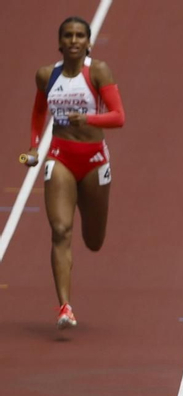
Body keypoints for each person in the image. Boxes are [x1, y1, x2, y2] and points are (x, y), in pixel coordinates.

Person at [20, 15, 126, 329]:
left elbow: (119, 117)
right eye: (68, 35)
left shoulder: (98, 71)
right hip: (60, 157)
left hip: (94, 161)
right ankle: (64, 306)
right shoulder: (45, 76)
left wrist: (88, 120)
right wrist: (35, 147)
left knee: (93, 240)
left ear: (88, 42)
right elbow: (39, 111)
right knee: (60, 230)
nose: (74, 40)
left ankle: (88, 215)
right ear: (60, 43)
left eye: (80, 35)